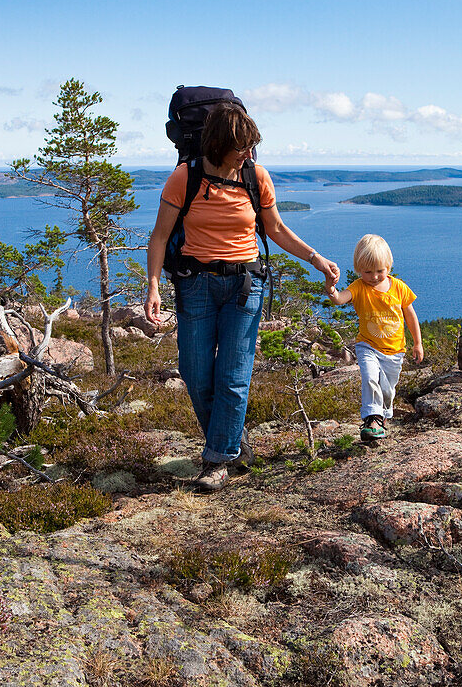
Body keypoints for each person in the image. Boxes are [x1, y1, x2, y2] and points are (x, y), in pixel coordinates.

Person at [144, 103, 340, 491]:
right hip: (195, 283)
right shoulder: (185, 177)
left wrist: (316, 258)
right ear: (218, 145)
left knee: (233, 376)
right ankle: (233, 442)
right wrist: (152, 285)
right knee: (196, 373)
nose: (248, 155)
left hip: (245, 286)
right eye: (241, 148)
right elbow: (160, 236)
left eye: (251, 147)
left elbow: (277, 229)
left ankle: (217, 459)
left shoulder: (255, 176)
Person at [325, 234, 423, 442]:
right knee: (371, 378)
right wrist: (331, 289)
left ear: (388, 266)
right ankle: (372, 419)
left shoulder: (399, 287)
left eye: (380, 270)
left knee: (387, 390)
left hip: (395, 350)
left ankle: (381, 419)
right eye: (368, 272)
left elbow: (410, 315)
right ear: (359, 268)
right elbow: (340, 299)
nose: (375, 276)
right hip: (367, 345)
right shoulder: (359, 286)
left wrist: (418, 343)